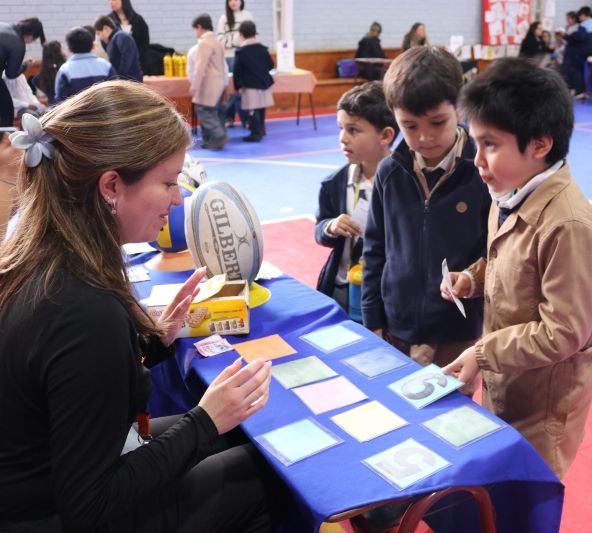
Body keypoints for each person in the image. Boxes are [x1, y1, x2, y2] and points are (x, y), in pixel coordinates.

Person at [0, 81, 289, 532]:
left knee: (246, 434)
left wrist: (151, 344)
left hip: (37, 484)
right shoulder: (84, 309)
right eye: (169, 183)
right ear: (112, 185)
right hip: (52, 513)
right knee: (273, 477)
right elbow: (90, 504)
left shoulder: (39, 255)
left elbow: (64, 385)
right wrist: (204, 421)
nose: (178, 200)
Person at [441, 58, 592, 480]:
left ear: (539, 144)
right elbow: (509, 266)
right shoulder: (512, 193)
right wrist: (473, 279)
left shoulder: (567, 226)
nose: (476, 160)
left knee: (526, 499)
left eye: (490, 145)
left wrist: (482, 352)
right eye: (474, 143)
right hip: (507, 380)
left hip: (544, 406)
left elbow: (563, 332)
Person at [361, 46, 491, 381]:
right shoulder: (389, 172)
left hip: (455, 333)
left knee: (450, 422)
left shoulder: (483, 171)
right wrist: (372, 320)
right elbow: (375, 249)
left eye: (438, 122)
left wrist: (471, 279)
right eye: (409, 125)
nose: (425, 137)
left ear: (459, 108)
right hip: (394, 326)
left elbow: (496, 251)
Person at [315, 82, 397, 312]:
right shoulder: (334, 183)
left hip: (386, 294)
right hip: (342, 287)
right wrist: (330, 226)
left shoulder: (407, 185)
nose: (342, 138)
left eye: (353, 130)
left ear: (385, 135)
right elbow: (319, 230)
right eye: (340, 128)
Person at [190, 13, 229, 150]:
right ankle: (210, 141)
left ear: (199, 27)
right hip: (219, 82)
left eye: (195, 29)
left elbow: (200, 67)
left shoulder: (204, 42)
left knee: (203, 110)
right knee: (214, 112)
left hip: (209, 83)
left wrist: (195, 86)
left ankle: (219, 135)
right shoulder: (217, 41)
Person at [233, 20, 274, 142]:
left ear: (241, 34)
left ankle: (255, 134)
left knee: (252, 109)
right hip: (264, 83)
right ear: (255, 33)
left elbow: (237, 70)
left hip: (250, 85)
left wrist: (237, 85)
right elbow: (271, 65)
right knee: (261, 108)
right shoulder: (262, 49)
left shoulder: (241, 52)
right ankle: (260, 130)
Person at [0, 18, 45, 127]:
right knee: (7, 111)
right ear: (30, 37)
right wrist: (25, 65)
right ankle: (4, 142)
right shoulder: (18, 44)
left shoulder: (3, 25)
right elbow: (11, 74)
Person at [55, 27, 117, 103]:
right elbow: (116, 92)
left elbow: (61, 99)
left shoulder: (65, 70)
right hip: (104, 112)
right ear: (93, 46)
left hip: (77, 114)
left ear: (69, 49)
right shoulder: (106, 66)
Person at [216, 0, 253, 128]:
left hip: (245, 56)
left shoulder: (247, 15)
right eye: (230, 0)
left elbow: (252, 36)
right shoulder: (224, 18)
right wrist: (236, 41)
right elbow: (220, 39)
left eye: (236, 0)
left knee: (240, 89)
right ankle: (243, 119)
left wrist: (234, 41)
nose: (233, 2)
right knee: (233, 89)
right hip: (229, 57)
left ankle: (230, 117)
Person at [565, 6, 592, 99]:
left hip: (582, 53)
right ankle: (589, 91)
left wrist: (568, 36)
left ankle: (580, 91)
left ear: (582, 16)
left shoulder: (583, 25)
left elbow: (580, 38)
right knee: (589, 72)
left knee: (577, 70)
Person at [94, 15, 143, 82]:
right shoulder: (113, 40)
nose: (100, 37)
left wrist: (119, 77)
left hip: (130, 82)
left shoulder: (121, 36)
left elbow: (127, 57)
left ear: (106, 28)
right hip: (125, 82)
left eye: (99, 33)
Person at [108, 0, 150, 72]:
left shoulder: (138, 20)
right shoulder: (109, 21)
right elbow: (107, 42)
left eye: (114, 0)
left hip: (138, 64)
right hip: (118, 66)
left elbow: (144, 42)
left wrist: (134, 57)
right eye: (109, 0)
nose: (111, 2)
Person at [31, 41, 66, 106]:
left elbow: (34, 81)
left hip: (52, 107)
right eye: (62, 49)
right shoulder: (65, 71)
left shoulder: (41, 76)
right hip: (67, 105)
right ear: (59, 53)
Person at [560, 12, 579, 92]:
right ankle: (567, 87)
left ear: (574, 19)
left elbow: (573, 40)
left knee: (571, 70)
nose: (567, 21)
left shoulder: (577, 27)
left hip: (573, 51)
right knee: (564, 70)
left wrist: (566, 36)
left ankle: (573, 87)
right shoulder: (567, 27)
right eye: (567, 19)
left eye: (569, 19)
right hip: (567, 50)